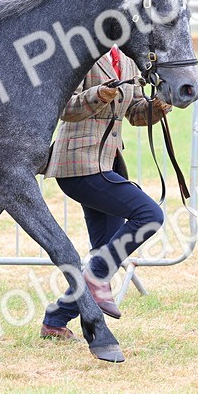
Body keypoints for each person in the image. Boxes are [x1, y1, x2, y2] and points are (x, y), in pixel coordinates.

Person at [39, 46, 169, 340]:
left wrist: (158, 106)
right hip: (77, 164)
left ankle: (57, 318)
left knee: (103, 251)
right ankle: (96, 275)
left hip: (106, 163)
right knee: (149, 215)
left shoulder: (126, 59)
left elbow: (135, 114)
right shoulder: (81, 55)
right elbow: (64, 108)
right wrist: (98, 95)